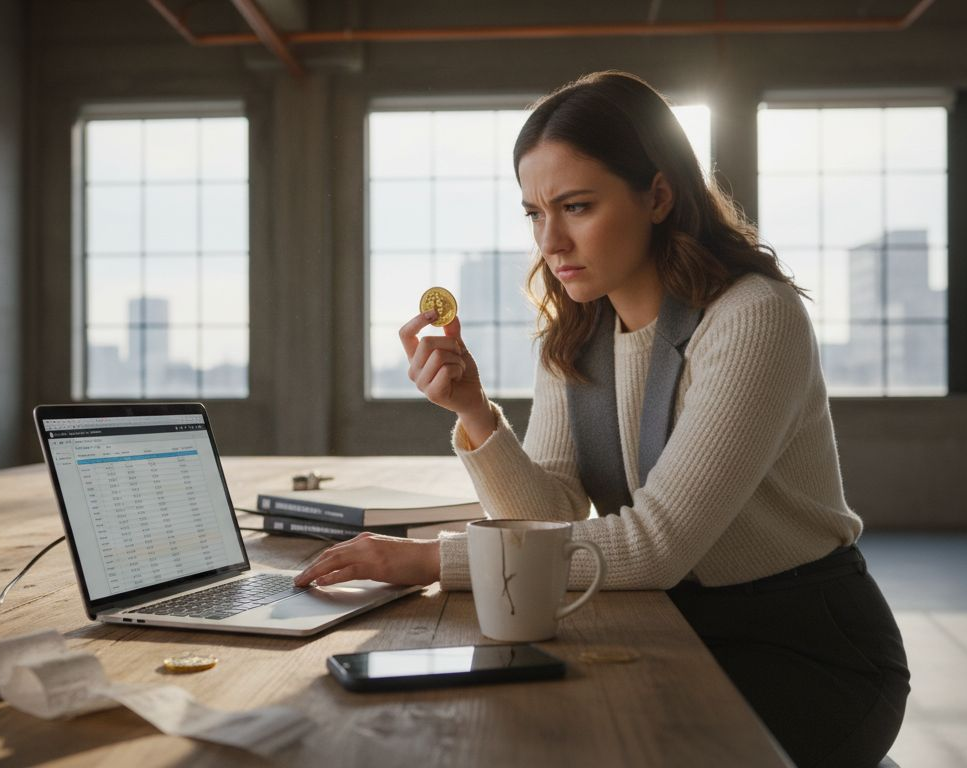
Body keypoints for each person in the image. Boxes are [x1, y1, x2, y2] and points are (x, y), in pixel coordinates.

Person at [294, 70, 909, 768]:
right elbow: (550, 512)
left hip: (806, 650)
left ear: (657, 195)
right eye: (533, 213)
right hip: (668, 624)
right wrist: (472, 411)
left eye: (576, 206)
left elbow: (656, 546)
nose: (550, 242)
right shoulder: (577, 331)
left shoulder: (753, 317)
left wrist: (428, 561)